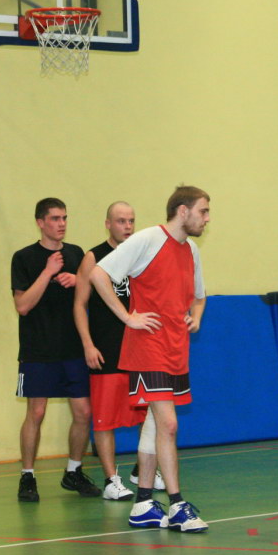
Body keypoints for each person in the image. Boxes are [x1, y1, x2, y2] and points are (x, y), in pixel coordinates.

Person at [89, 186, 210, 533]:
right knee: (168, 424)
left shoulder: (191, 250)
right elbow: (98, 274)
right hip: (148, 349)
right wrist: (128, 317)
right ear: (183, 211)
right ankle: (177, 504)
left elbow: (199, 296)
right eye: (203, 211)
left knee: (155, 426)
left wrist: (195, 317)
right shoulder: (148, 240)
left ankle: (143, 503)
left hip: (176, 350)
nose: (207, 219)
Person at [11, 198, 100, 502]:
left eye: (64, 218)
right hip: (38, 350)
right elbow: (22, 305)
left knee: (84, 412)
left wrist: (78, 280)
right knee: (36, 412)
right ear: (40, 222)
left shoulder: (76, 254)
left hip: (72, 348)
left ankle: (73, 471)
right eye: (54, 218)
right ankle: (27, 476)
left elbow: (92, 292)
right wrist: (48, 272)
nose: (61, 224)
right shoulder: (24, 257)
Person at [73, 201, 162, 501]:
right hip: (106, 350)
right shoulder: (93, 257)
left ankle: (142, 470)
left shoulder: (140, 254)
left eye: (131, 221)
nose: (127, 226)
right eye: (121, 221)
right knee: (105, 419)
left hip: (138, 351)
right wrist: (88, 344)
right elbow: (79, 305)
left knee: (146, 415)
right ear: (108, 224)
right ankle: (112, 479)